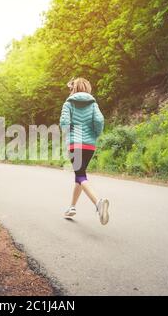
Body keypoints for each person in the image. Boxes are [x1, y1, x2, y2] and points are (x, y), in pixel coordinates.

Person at [60, 78, 110, 225]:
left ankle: (98, 203)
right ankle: (72, 207)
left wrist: (69, 134)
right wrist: (95, 134)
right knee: (80, 175)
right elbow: (99, 121)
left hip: (75, 143)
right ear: (87, 88)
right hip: (90, 145)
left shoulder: (68, 103)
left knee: (80, 175)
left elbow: (64, 123)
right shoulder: (93, 104)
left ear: (73, 89)